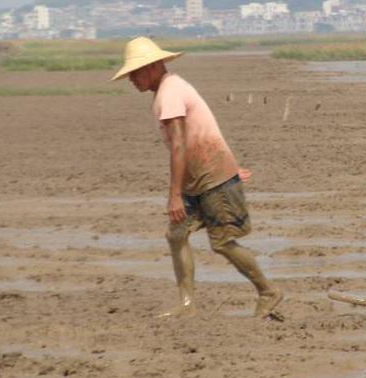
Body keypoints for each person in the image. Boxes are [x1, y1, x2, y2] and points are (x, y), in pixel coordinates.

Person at [111, 37, 283, 318]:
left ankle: (268, 291)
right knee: (176, 234)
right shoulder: (168, 89)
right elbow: (201, 131)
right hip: (201, 178)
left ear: (154, 66)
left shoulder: (169, 93)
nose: (131, 79)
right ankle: (187, 304)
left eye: (136, 72)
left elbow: (179, 145)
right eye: (130, 73)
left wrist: (175, 194)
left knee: (223, 243)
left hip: (211, 179)